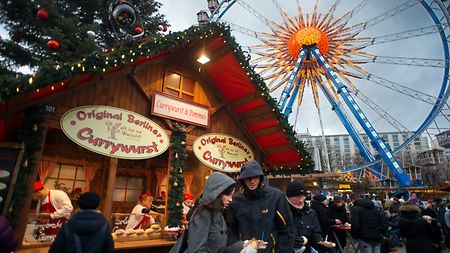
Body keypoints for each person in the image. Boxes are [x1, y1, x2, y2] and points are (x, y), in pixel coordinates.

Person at [226, 160, 294, 253]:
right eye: (248, 178)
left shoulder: (276, 196)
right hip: (245, 250)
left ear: (260, 177)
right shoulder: (236, 200)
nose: (252, 181)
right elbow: (230, 229)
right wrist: (237, 249)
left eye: (255, 177)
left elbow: (287, 227)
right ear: (243, 180)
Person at [185, 172, 248, 253]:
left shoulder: (218, 213)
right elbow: (196, 251)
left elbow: (219, 250)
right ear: (217, 193)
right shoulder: (203, 214)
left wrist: (241, 246)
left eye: (232, 196)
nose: (230, 199)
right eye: (228, 195)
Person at [49, 192, 114, 253]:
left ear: (79, 206)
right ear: (97, 206)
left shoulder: (67, 225)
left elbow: (55, 250)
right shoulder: (104, 225)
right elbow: (109, 249)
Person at [286, 181, 335, 253]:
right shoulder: (282, 212)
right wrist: (292, 241)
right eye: (297, 197)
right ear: (288, 197)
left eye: (303, 197)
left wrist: (320, 243)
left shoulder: (310, 212)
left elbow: (315, 233)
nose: (301, 200)